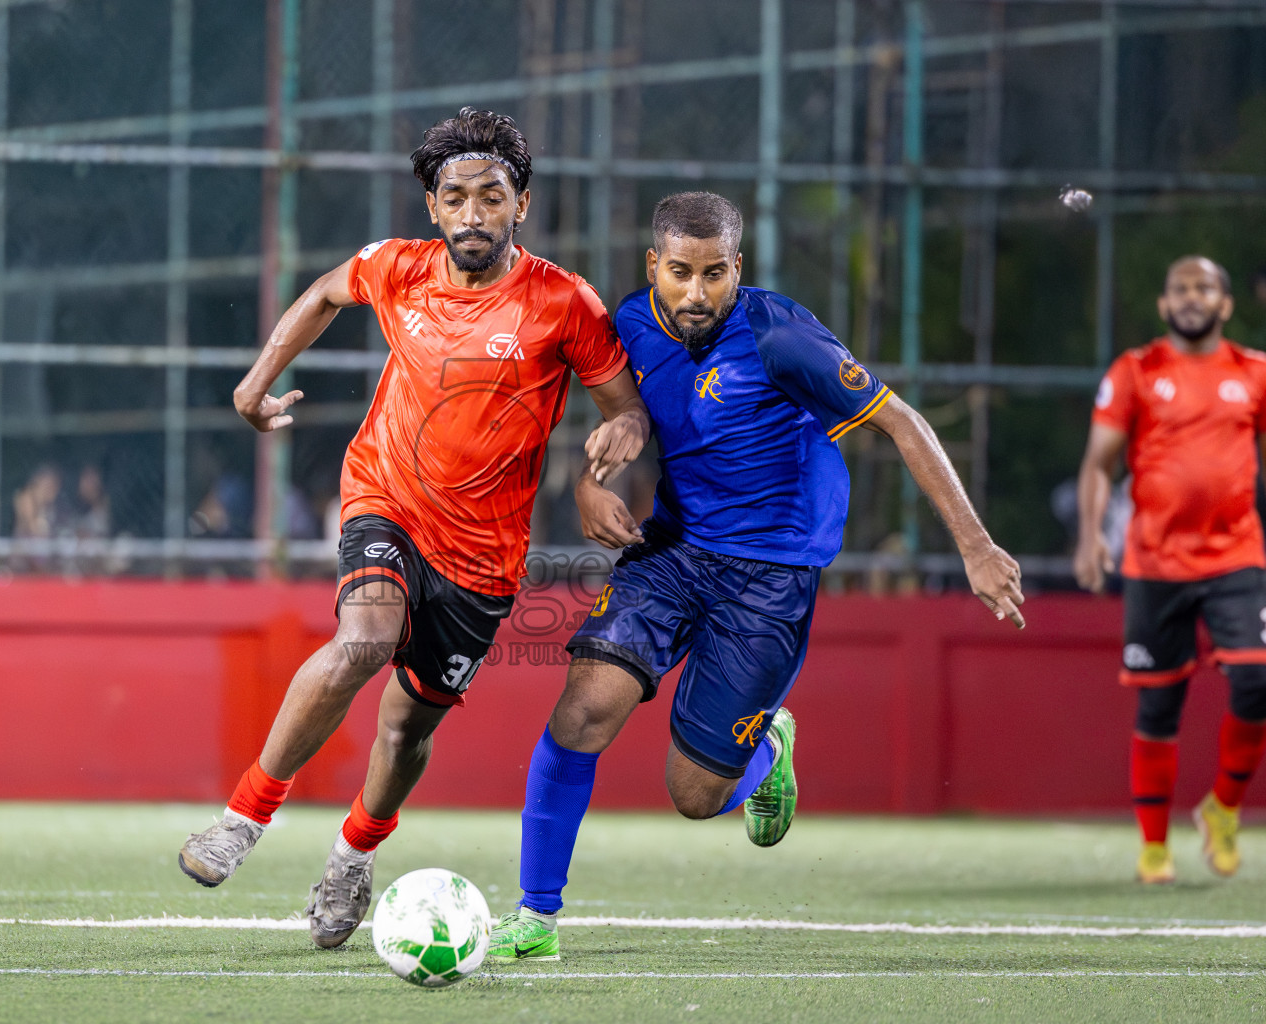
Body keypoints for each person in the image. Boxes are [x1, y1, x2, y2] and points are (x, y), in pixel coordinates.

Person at [488, 192, 1024, 961]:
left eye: (714, 273)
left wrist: (974, 544)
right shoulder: (630, 326)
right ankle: (537, 917)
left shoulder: (780, 336)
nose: (697, 292)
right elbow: (621, 423)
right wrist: (587, 486)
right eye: (680, 272)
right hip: (673, 552)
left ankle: (767, 751)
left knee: (693, 797)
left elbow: (902, 420)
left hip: (770, 578)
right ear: (654, 267)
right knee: (582, 710)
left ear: (738, 266)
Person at [177, 107, 649, 950]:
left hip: (485, 559)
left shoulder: (562, 303)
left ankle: (353, 856)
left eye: (492, 196)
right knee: (363, 640)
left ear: (521, 205)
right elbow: (325, 291)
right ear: (433, 207)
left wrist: (599, 463)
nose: (473, 213)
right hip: (385, 499)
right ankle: (244, 818)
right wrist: (255, 384)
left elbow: (624, 410)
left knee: (407, 726)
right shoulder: (398, 269)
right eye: (455, 196)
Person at [1074, 255, 1266, 885]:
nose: (1191, 296)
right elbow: (1100, 463)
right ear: (1163, 304)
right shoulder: (1136, 369)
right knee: (1160, 707)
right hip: (1154, 561)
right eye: (1180, 287)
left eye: (1204, 286)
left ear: (1225, 304)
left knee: (1257, 684)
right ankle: (1154, 847)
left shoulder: (1254, 372)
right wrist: (1090, 538)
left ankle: (1223, 808)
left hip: (1237, 555)